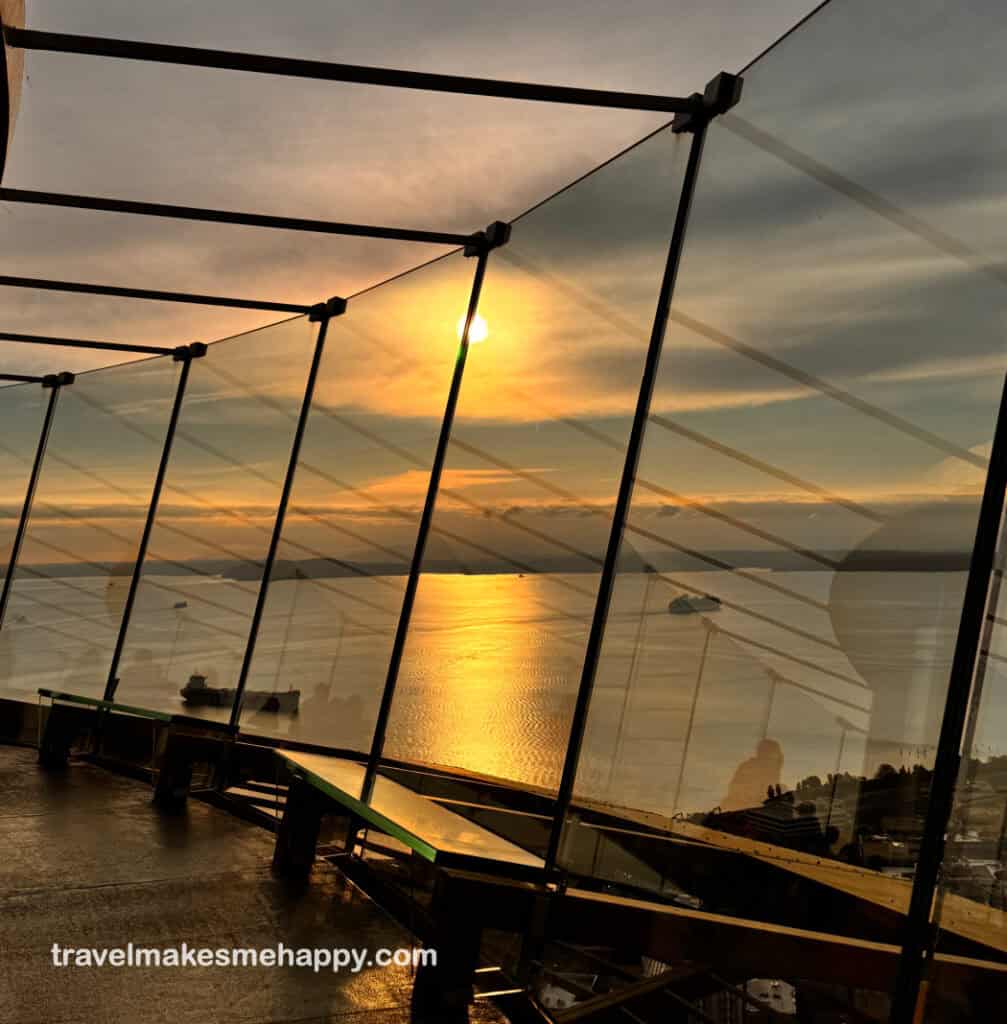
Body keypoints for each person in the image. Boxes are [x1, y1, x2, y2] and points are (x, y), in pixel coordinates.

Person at [722, 738, 784, 812]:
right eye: (767, 758)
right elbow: (736, 792)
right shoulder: (747, 769)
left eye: (773, 761)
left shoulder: (783, 795)